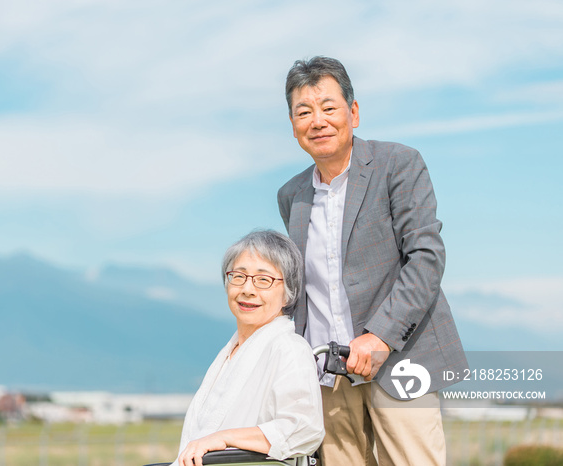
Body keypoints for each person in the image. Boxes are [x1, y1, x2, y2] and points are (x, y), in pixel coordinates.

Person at [278, 56, 468, 465]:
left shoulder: (397, 164)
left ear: (354, 112)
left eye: (329, 107)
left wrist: (380, 336)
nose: (318, 120)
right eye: (304, 111)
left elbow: (426, 257)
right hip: (328, 374)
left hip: (400, 356)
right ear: (293, 125)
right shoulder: (291, 195)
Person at [173, 230, 324, 466]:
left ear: (288, 293)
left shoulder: (289, 349)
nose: (248, 289)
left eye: (264, 280)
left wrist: (223, 439)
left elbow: (304, 429)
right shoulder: (231, 352)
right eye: (239, 276)